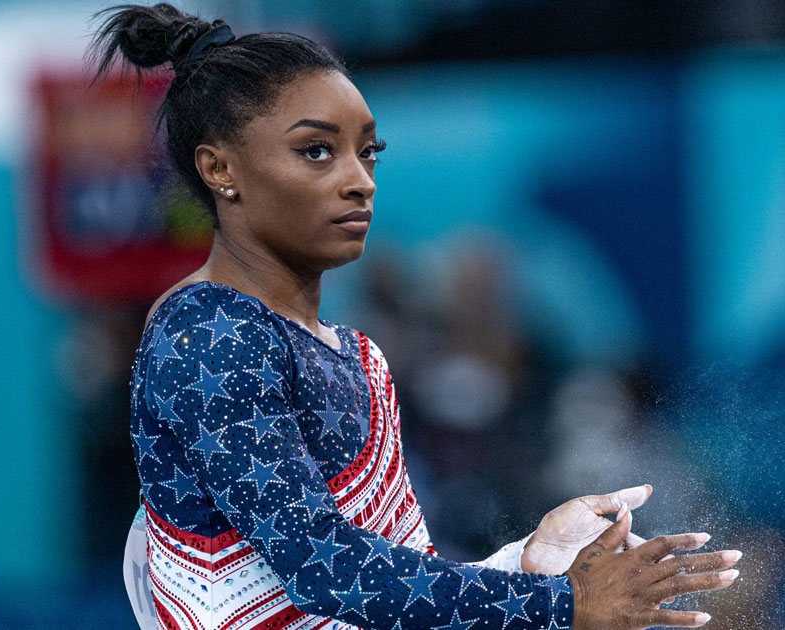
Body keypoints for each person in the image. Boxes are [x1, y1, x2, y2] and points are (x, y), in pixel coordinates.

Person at [91, 4, 740, 630]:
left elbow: (396, 601)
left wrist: (527, 562)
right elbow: (324, 572)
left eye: (367, 151)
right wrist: (561, 604)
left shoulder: (359, 357)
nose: (360, 180)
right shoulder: (208, 335)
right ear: (219, 168)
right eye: (316, 151)